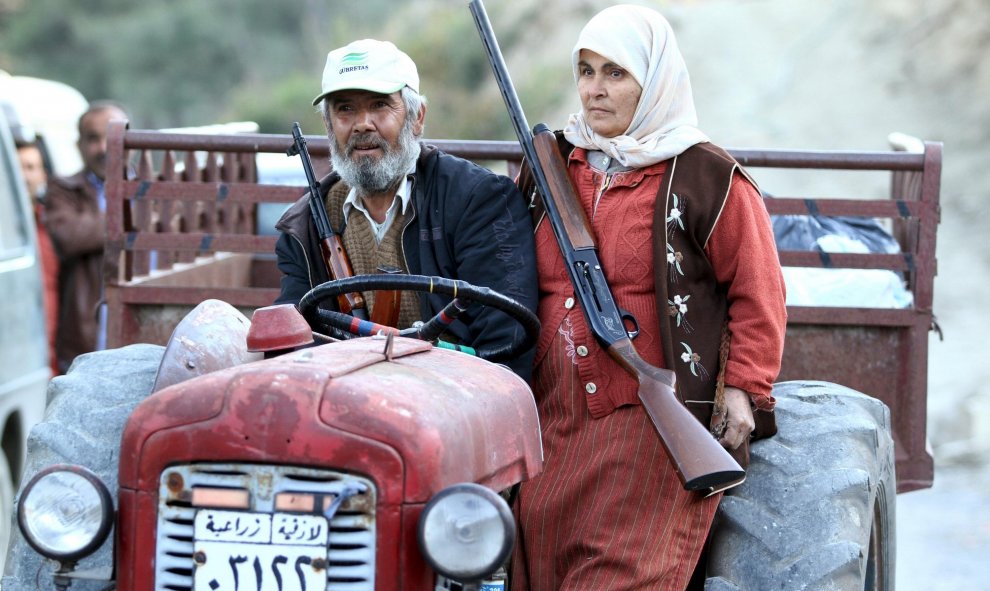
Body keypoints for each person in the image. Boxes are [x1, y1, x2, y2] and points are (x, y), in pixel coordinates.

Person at [511, 5, 787, 590]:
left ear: (654, 80)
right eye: (585, 71)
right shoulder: (551, 166)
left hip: (653, 431)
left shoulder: (708, 176)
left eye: (615, 73)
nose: (594, 90)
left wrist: (743, 387)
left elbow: (758, 290)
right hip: (551, 420)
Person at [274, 39, 538, 379]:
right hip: (342, 400)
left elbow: (506, 342)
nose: (362, 124)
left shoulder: (478, 199)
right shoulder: (303, 227)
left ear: (417, 118)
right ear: (329, 126)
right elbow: (292, 342)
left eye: (380, 106)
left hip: (454, 396)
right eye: (345, 109)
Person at [45, 101, 129, 374]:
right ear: (79, 144)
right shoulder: (63, 189)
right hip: (84, 343)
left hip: (140, 341)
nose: (103, 148)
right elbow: (69, 237)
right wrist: (133, 217)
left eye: (112, 137)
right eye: (93, 138)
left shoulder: (152, 190)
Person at [15, 135, 60, 376]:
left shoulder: (53, 222)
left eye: (30, 167)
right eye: (17, 166)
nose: (23, 175)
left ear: (43, 174)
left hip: (52, 345)